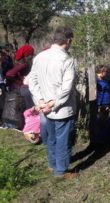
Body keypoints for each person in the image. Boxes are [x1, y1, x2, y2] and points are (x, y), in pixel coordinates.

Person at [28, 26, 77, 179]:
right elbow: (66, 88)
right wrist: (52, 103)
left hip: (45, 107)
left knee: (51, 136)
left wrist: (40, 101)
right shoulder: (66, 60)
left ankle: (53, 164)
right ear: (68, 41)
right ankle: (60, 170)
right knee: (62, 138)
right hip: (61, 108)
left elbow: (32, 81)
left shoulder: (40, 57)